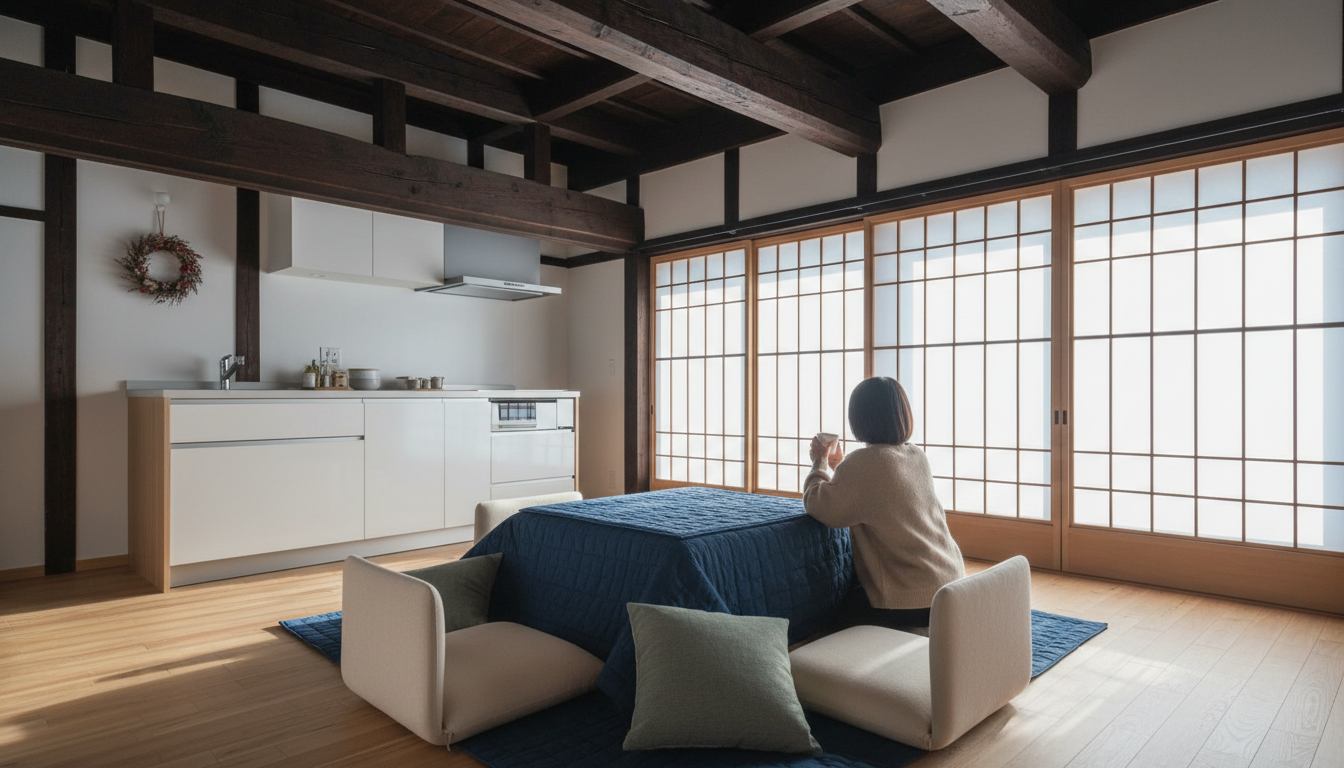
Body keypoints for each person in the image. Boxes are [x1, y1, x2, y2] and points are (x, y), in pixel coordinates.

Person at [803, 376, 964, 630]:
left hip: (910, 601)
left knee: (828, 619)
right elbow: (874, 494)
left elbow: (818, 504)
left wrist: (819, 462)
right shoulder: (916, 455)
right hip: (951, 586)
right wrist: (839, 466)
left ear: (859, 419)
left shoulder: (863, 464)